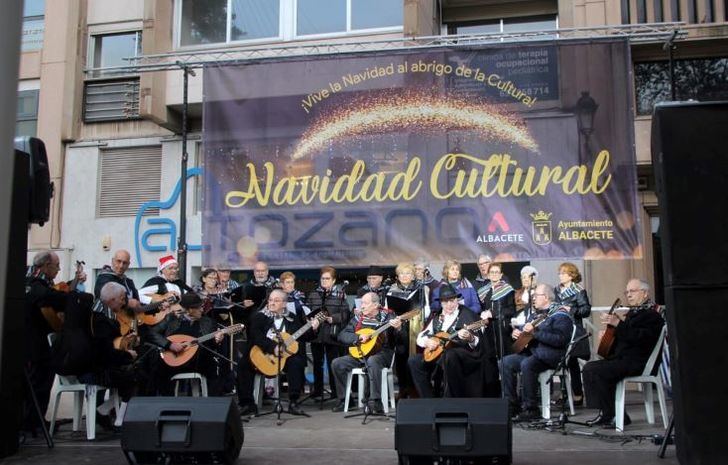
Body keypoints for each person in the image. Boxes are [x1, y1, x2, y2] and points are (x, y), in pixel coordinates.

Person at [582, 279, 664, 427]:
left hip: (639, 361)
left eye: (633, 291)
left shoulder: (652, 315)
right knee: (591, 368)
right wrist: (608, 336)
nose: (629, 295)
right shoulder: (633, 313)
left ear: (645, 293)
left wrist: (618, 324)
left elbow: (640, 339)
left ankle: (612, 414)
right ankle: (609, 413)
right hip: (624, 359)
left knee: (595, 370)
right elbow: (625, 340)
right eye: (627, 292)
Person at [24, 251, 86, 433]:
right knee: (36, 383)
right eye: (56, 266)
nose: (59, 269)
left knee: (43, 383)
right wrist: (73, 297)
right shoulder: (33, 281)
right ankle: (29, 423)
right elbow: (50, 296)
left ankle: (36, 421)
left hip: (42, 342)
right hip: (32, 342)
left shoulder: (45, 283)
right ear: (45, 266)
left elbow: (55, 293)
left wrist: (71, 287)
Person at [502, 284, 574, 421]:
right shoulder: (535, 314)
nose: (533, 298)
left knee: (527, 364)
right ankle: (512, 406)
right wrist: (518, 333)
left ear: (546, 297)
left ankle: (531, 409)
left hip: (550, 355)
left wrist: (535, 333)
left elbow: (560, 340)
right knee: (505, 362)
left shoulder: (561, 315)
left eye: (536, 296)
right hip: (533, 352)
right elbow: (527, 330)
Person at [249, 289, 319, 415]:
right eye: (270, 300)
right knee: (244, 364)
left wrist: (313, 328)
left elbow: (303, 336)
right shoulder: (259, 316)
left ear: (284, 304)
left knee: (296, 362)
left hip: (284, 357)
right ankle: (247, 404)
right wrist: (273, 347)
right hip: (264, 354)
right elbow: (256, 336)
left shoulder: (291, 317)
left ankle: (293, 402)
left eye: (276, 300)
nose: (272, 303)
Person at [331, 292, 402, 413]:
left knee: (372, 360)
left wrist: (398, 328)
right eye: (361, 303)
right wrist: (358, 338)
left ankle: (376, 401)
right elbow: (342, 335)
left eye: (365, 303)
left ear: (375, 305)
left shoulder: (389, 317)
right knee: (337, 363)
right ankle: (344, 400)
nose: (361, 306)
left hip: (382, 353)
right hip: (361, 353)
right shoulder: (358, 318)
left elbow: (398, 339)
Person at [408, 284, 482, 398]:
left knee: (449, 355)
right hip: (438, 354)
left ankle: (449, 400)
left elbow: (476, 341)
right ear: (441, 303)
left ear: (457, 300)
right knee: (414, 360)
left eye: (452, 301)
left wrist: (469, 338)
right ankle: (428, 399)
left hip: (461, 355)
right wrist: (427, 342)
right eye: (445, 302)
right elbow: (421, 336)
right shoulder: (437, 316)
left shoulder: (466, 313)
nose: (449, 305)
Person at [148, 293, 226, 396]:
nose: (202, 310)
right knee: (157, 367)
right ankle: (168, 404)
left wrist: (217, 340)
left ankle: (212, 404)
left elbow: (212, 346)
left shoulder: (208, 322)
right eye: (199, 308)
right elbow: (151, 333)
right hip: (174, 359)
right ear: (189, 310)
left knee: (215, 366)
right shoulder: (171, 319)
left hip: (198, 362)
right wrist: (169, 344)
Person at [307, 266, 351, 400]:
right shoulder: (314, 294)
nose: (324, 281)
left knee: (333, 362)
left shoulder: (340, 294)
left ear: (333, 280)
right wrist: (311, 320)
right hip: (317, 334)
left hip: (332, 334)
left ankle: (335, 391)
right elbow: (307, 311)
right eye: (322, 278)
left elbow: (346, 314)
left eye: (327, 279)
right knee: (317, 364)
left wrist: (333, 318)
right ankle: (318, 390)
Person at [553, 262, 591, 406]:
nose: (560, 276)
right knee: (562, 360)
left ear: (571, 275)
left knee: (572, 361)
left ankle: (577, 394)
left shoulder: (579, 291)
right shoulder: (557, 290)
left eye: (563, 273)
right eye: (560, 273)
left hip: (574, 330)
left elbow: (586, 310)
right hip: (560, 328)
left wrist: (571, 310)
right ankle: (565, 393)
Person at [384, 262, 423, 399]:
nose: (405, 276)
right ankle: (402, 389)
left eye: (408, 273)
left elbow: (421, 308)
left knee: (412, 358)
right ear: (398, 276)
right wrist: (394, 319)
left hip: (415, 326)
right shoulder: (390, 289)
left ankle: (414, 389)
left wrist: (404, 316)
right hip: (397, 327)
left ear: (413, 276)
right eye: (402, 274)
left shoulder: (420, 288)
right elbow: (387, 309)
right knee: (400, 357)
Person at [478, 262, 516, 359]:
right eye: (492, 272)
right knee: (490, 358)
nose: (494, 274)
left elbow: (511, 310)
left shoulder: (507, 289)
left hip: (502, 327)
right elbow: (481, 309)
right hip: (488, 328)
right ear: (488, 275)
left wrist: (493, 313)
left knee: (504, 356)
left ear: (501, 275)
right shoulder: (483, 291)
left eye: (497, 272)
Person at [93, 249, 140, 316]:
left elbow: (137, 303)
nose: (121, 266)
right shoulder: (104, 277)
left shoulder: (129, 282)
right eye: (118, 261)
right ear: (112, 261)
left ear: (128, 265)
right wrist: (127, 302)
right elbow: (104, 297)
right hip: (106, 320)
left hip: (128, 322)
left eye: (124, 263)